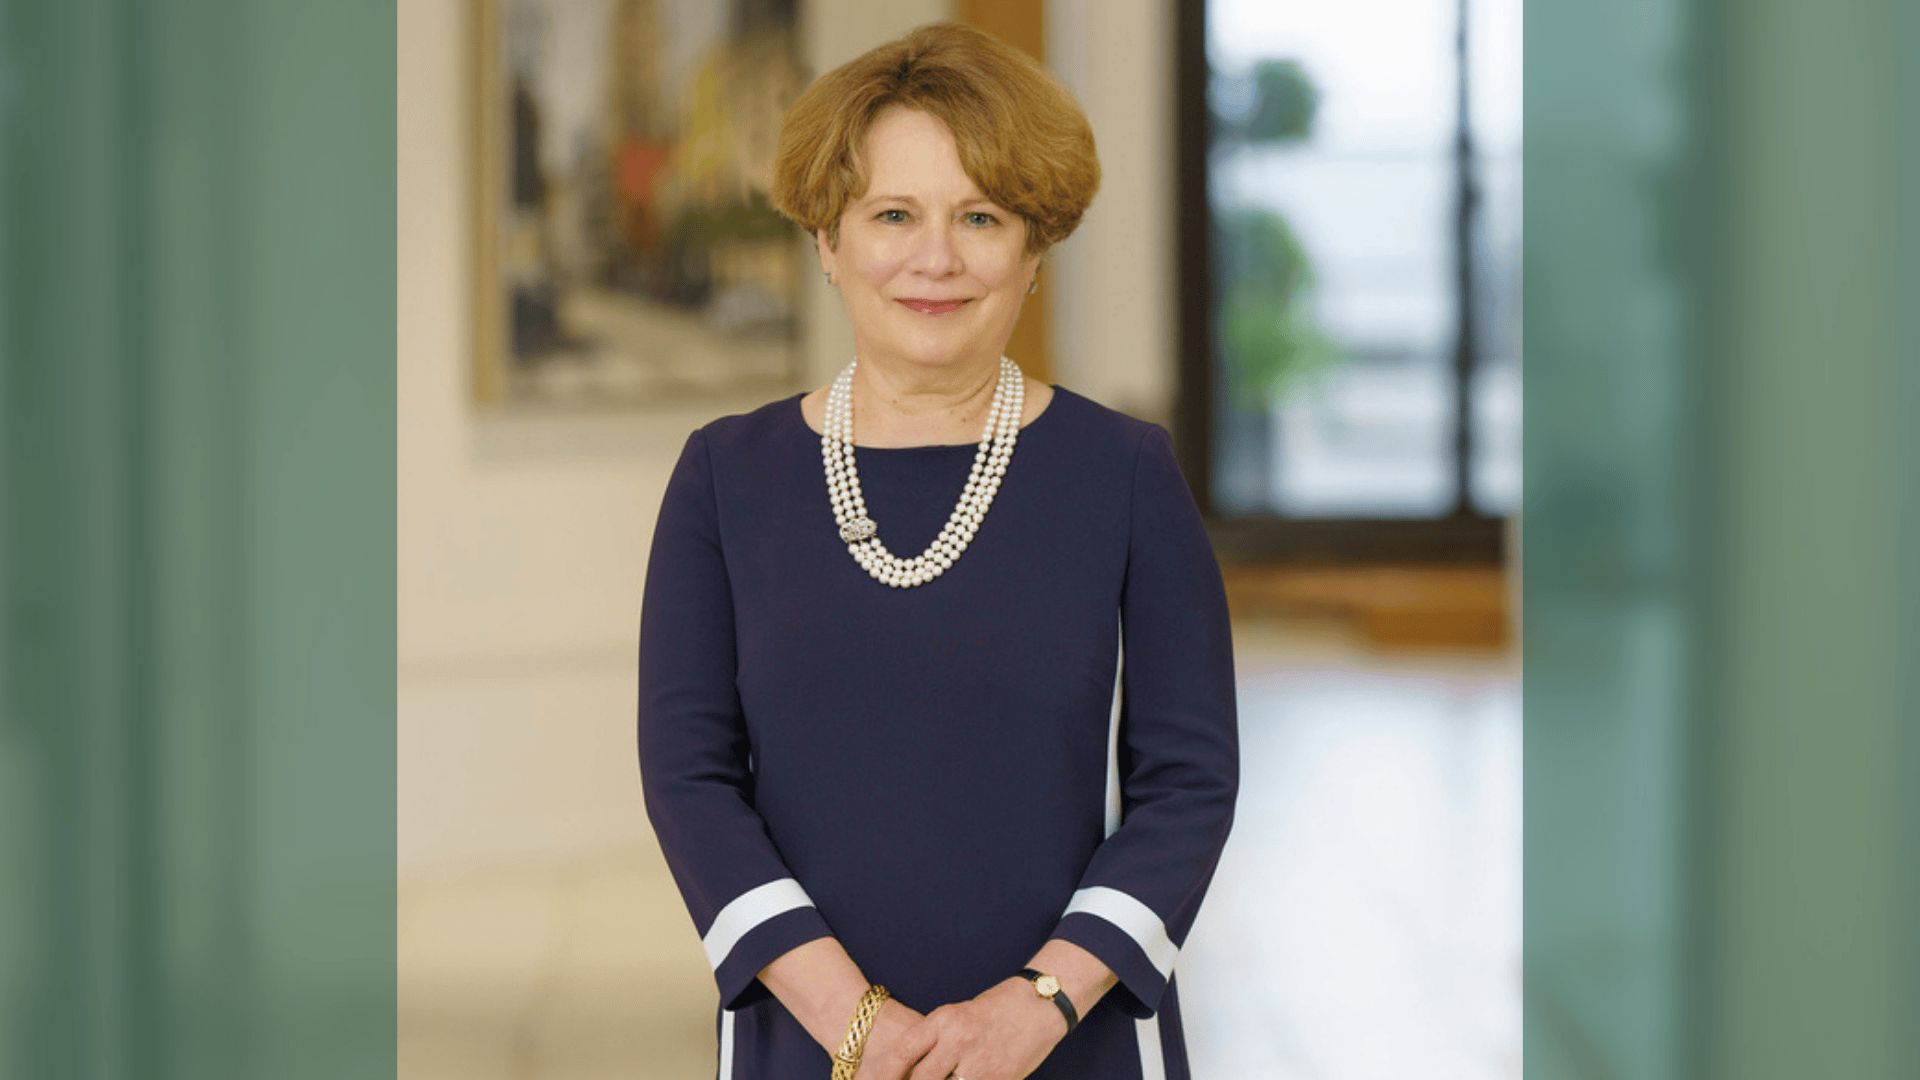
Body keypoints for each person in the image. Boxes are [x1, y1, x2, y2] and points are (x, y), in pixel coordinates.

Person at [636, 22, 1237, 1080]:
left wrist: (1040, 1003)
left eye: (981, 217)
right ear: (828, 239)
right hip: (804, 1033)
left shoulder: (1126, 472)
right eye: (895, 215)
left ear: (1034, 249)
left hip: (1070, 1036)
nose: (937, 258)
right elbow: (689, 777)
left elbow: (1188, 782)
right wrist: (852, 1019)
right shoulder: (726, 477)